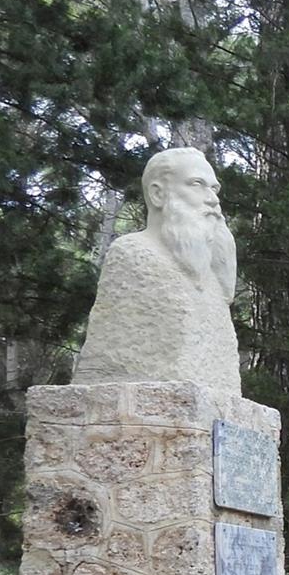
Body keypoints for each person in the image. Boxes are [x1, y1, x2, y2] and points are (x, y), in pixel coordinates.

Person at [73, 146, 241, 398]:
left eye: (214, 188)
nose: (213, 199)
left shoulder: (213, 278)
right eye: (197, 184)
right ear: (158, 194)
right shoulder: (133, 254)